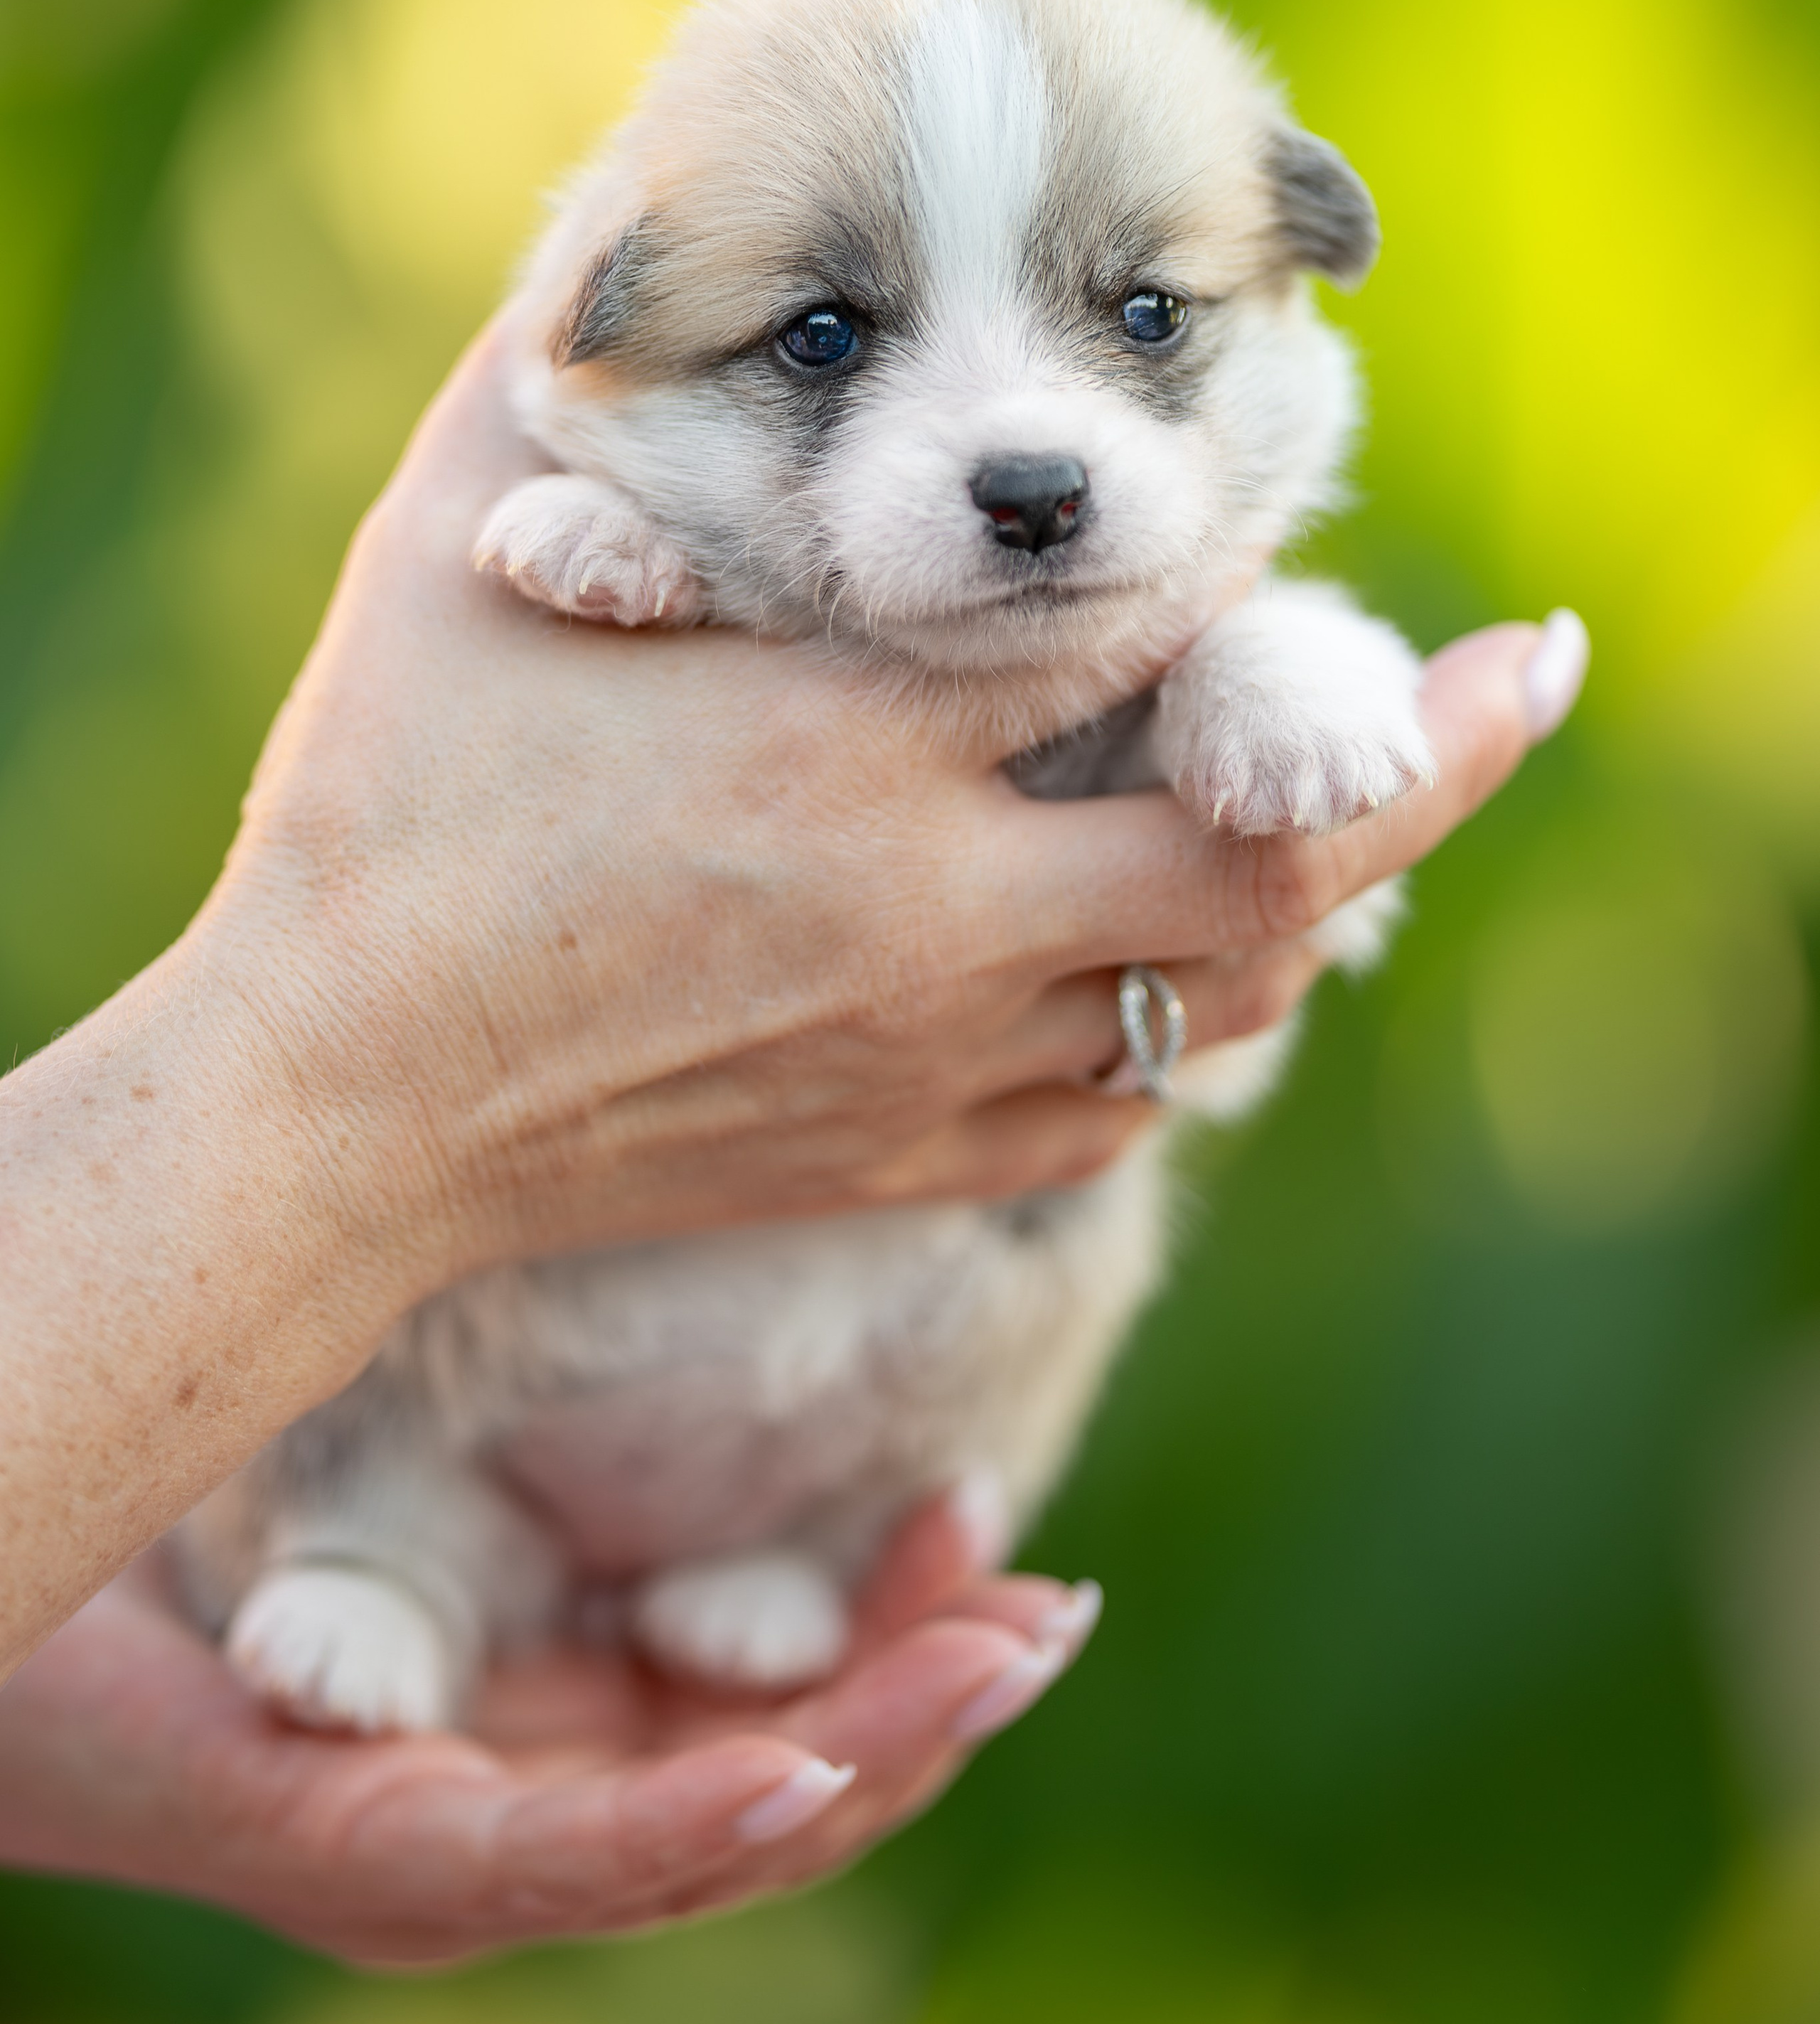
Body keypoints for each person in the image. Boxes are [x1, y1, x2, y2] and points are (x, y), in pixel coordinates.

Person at [0, 326, 1587, 1961]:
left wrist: (1255, 690)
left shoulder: (1168, 571)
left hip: (827, 1447)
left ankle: (788, 1535)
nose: (1019, 437)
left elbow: (1263, 932)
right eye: (829, 339)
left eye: (1136, 319)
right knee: (372, 1463)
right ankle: (388, 1550)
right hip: (463, 1427)